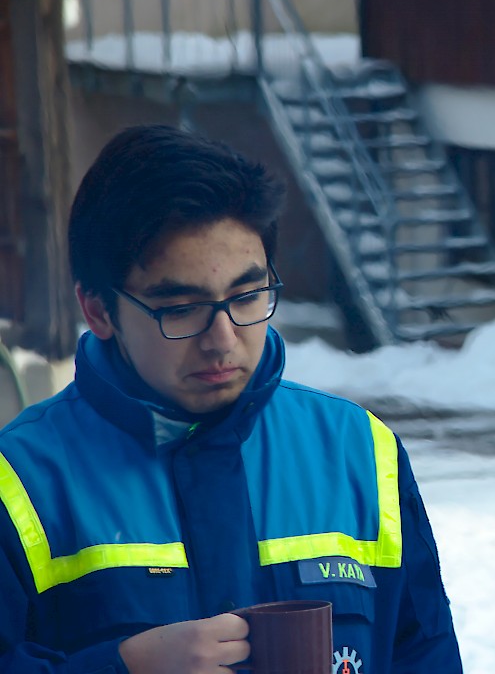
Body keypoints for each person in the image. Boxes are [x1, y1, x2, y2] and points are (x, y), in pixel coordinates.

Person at [0, 125, 462, 673]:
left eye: (247, 296)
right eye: (180, 308)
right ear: (98, 309)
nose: (222, 339)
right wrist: (123, 668)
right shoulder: (21, 481)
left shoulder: (361, 453)